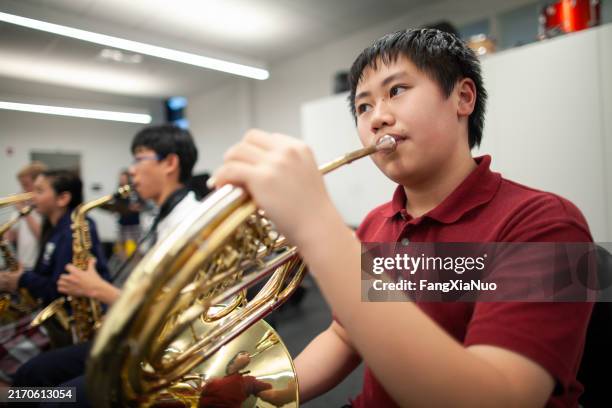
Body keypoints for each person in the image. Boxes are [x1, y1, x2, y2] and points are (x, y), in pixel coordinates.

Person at [211, 29, 593, 407]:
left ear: (462, 98)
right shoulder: (375, 224)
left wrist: (317, 228)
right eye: (363, 107)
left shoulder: (549, 224)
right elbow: (345, 338)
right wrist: (259, 394)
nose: (376, 119)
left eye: (396, 91)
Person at [12, 125, 201, 407]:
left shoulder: (191, 222)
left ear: (170, 163)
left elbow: (178, 314)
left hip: (164, 353)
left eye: (139, 158)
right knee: (29, 376)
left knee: (55, 401)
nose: (131, 170)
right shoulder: (162, 219)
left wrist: (101, 290)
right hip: (137, 339)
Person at [0, 169, 109, 384]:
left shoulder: (72, 230)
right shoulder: (53, 227)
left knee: (25, 372)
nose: (32, 196)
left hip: (69, 325)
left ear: (63, 198)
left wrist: (22, 279)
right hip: (54, 317)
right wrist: (23, 277)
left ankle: (23, 398)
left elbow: (59, 286)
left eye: (39, 191)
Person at [4, 162, 48, 270]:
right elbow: (11, 237)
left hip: (38, 266)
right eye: (22, 185)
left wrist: (23, 211)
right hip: (23, 264)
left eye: (26, 185)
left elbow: (42, 236)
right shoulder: (22, 208)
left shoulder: (44, 208)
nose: (23, 190)